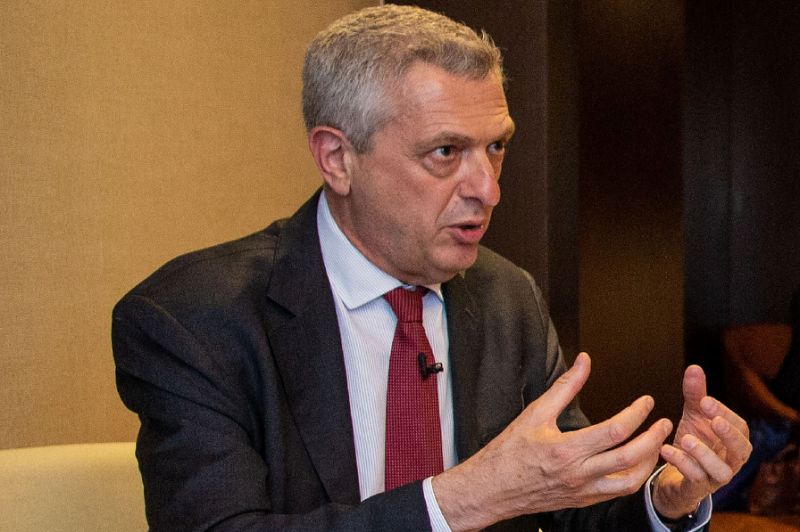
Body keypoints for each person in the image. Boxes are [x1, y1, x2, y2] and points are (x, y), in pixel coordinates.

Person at [112, 5, 751, 531]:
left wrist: (665, 499)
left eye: (496, 147)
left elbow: (570, 509)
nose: (489, 189)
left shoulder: (507, 298)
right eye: (446, 152)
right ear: (337, 158)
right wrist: (464, 497)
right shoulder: (194, 321)